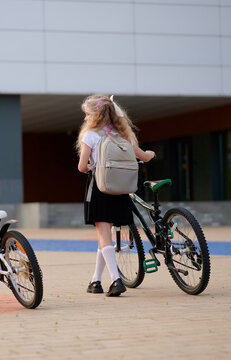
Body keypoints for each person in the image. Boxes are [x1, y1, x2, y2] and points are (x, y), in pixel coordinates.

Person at [76, 95, 155, 297]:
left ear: (96, 115)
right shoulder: (123, 135)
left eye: (87, 114)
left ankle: (116, 280)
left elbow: (81, 167)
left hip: (100, 189)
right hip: (121, 191)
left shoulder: (90, 136)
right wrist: (151, 154)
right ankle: (96, 280)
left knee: (104, 237)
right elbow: (144, 157)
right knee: (105, 240)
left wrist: (91, 166)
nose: (85, 119)